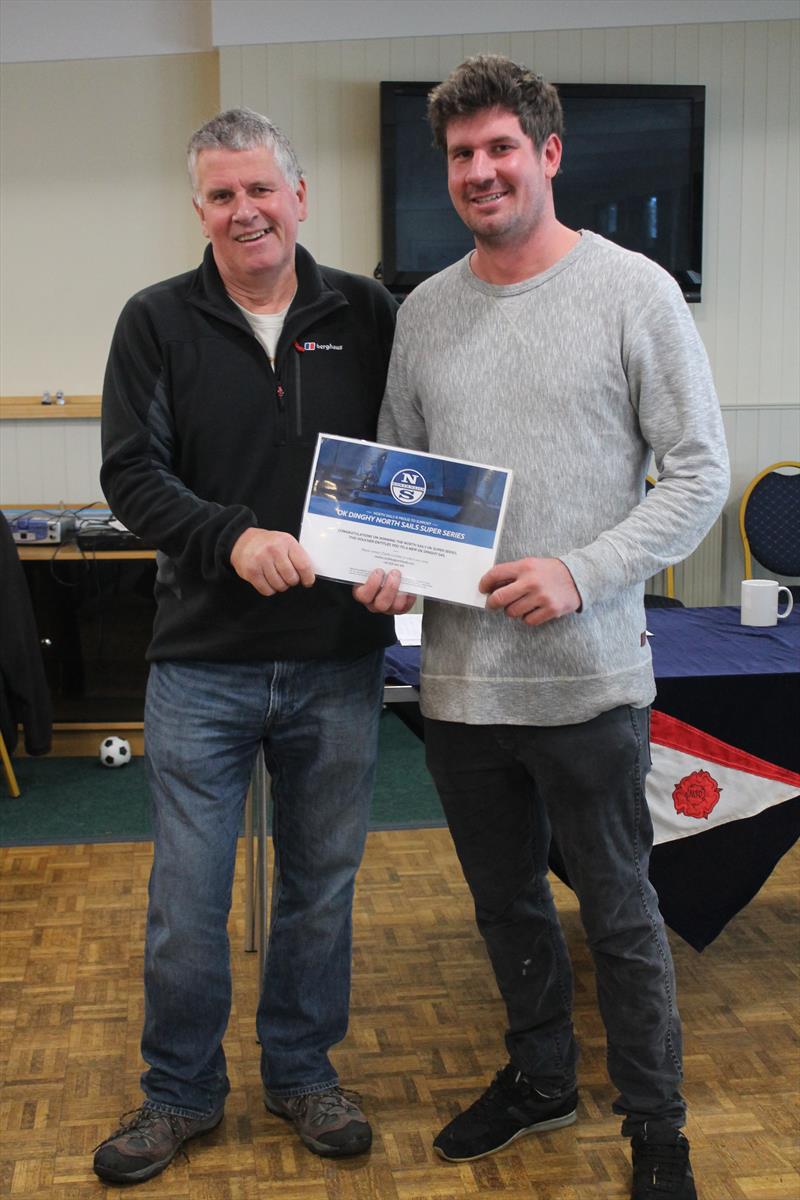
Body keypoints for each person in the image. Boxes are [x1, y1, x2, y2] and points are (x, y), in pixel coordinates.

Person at [355, 55, 729, 1200]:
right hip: (460, 687)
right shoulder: (421, 312)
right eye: (461, 154)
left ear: (547, 153)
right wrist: (383, 567)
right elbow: (397, 490)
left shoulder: (633, 292)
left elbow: (696, 476)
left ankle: (653, 1125)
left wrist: (579, 572)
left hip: (589, 682)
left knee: (619, 913)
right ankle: (541, 1078)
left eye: (499, 147)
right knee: (504, 905)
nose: (479, 170)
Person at [93, 108, 397, 1185]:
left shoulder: (367, 314)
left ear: (299, 197)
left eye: (260, 189)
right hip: (203, 665)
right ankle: (178, 1093)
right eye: (221, 195)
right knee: (187, 900)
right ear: (199, 210)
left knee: (320, 886)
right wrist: (230, 535)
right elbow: (130, 476)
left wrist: (412, 564)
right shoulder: (155, 321)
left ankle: (304, 1073)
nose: (244, 210)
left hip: (334, 659)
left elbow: (412, 462)